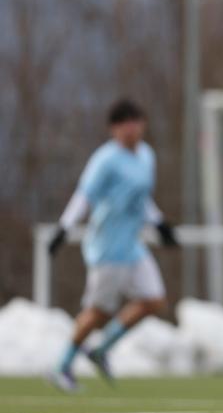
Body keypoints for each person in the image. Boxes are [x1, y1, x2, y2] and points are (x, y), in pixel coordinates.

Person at [48, 99, 178, 392]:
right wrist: (64, 228)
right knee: (98, 312)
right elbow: (85, 196)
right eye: (123, 123)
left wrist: (159, 223)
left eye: (135, 121)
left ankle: (101, 349)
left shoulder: (146, 155)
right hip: (107, 247)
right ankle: (61, 366)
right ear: (113, 130)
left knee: (154, 300)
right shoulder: (105, 160)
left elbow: (140, 198)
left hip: (132, 245)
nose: (131, 128)